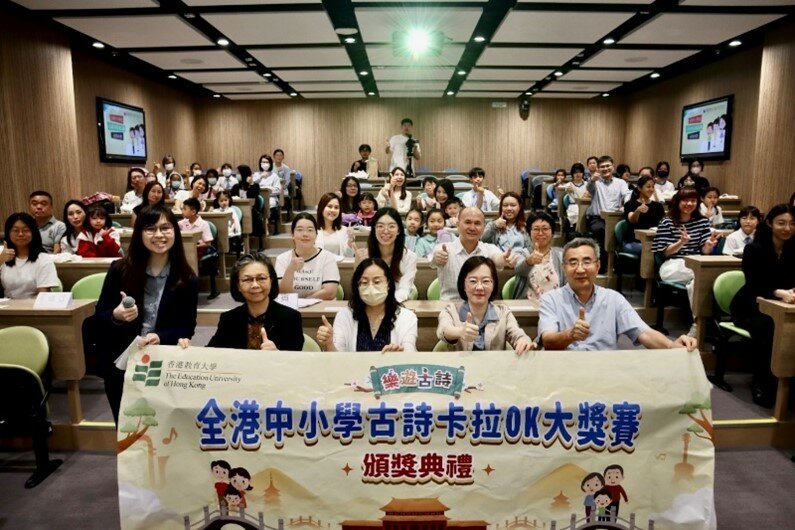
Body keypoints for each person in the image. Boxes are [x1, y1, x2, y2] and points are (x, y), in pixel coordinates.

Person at [85, 205, 198, 422]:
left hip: (163, 362)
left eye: (165, 228)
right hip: (122, 363)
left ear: (175, 231)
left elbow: (187, 326)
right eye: (150, 229)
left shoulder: (187, 278)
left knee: (161, 428)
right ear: (139, 234)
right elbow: (97, 320)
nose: (158, 235)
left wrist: (161, 336)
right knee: (127, 429)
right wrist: (116, 316)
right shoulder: (120, 270)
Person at [538, 238, 697, 351]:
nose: (580, 269)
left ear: (598, 265)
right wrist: (570, 335)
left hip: (604, 373)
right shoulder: (550, 299)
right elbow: (548, 341)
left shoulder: (613, 299)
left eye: (587, 262)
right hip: (565, 372)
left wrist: (671, 346)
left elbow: (643, 332)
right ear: (564, 268)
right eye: (573, 263)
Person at [729, 204, 795, 407]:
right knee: (769, 328)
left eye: (792, 224)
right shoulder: (754, 249)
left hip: (783, 305)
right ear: (769, 223)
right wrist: (777, 292)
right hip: (750, 305)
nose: (787, 228)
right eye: (781, 223)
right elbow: (754, 283)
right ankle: (763, 383)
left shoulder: (793, 249)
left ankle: (788, 384)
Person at [180, 253, 304, 351]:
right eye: (247, 279)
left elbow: (296, 364)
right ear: (238, 285)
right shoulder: (228, 319)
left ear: (271, 280)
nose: (255, 285)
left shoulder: (291, 318)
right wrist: (189, 349)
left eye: (261, 278)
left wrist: (277, 354)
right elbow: (212, 353)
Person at [652, 187, 721, 335]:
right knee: (703, 276)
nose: (689, 203)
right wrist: (681, 242)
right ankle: (703, 323)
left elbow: (704, 251)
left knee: (696, 281)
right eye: (685, 200)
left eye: (693, 200)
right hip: (672, 265)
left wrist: (709, 245)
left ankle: (698, 324)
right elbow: (663, 252)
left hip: (695, 263)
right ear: (677, 201)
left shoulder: (702, 221)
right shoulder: (667, 222)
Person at [437, 256, 535, 354]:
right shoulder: (450, 311)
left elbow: (516, 333)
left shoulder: (503, 312)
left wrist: (523, 340)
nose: (479, 287)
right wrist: (460, 332)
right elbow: (443, 330)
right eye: (473, 281)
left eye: (486, 281)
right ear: (463, 285)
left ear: (493, 284)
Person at [316, 258, 417, 352]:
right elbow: (337, 359)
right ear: (357, 286)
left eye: (377, 282)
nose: (370, 287)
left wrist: (400, 354)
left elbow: (410, 353)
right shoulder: (344, 315)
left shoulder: (407, 317)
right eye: (364, 282)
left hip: (391, 370)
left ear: (389, 284)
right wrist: (329, 343)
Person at [431, 207, 516, 301]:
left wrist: (504, 259)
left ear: (484, 227)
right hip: (450, 308)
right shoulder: (444, 248)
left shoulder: (489, 249)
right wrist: (437, 258)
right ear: (458, 225)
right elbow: (434, 259)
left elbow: (498, 258)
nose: (472, 228)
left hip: (481, 309)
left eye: (477, 223)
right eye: (467, 222)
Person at [353, 207, 417, 303]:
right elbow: (358, 288)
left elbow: (404, 289)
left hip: (397, 305)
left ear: (398, 230)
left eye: (391, 226)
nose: (385, 231)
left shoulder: (409, 257)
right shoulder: (364, 256)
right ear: (374, 229)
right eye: (380, 226)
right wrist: (358, 264)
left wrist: (384, 304)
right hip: (370, 305)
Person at [275, 213, 339, 300]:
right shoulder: (282, 259)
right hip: (290, 310)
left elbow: (330, 292)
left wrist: (306, 301)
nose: (305, 234)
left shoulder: (327, 257)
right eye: (300, 230)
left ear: (316, 235)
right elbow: (282, 293)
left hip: (318, 309)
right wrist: (291, 269)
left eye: (310, 230)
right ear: (292, 234)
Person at [586, 156, 630, 273]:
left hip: (615, 217)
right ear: (598, 169)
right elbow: (589, 188)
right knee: (601, 230)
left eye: (608, 166)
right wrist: (592, 180)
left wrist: (625, 205)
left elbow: (627, 195)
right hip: (597, 218)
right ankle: (604, 265)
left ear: (613, 166)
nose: (605, 168)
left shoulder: (621, 182)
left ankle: (620, 265)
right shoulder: (595, 182)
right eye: (602, 167)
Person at [0, 212, 59, 298]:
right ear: (8, 233)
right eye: (15, 230)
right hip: (7, 308)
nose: (20, 234)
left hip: (32, 308)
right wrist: (0, 261)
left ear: (33, 233)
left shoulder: (43, 259)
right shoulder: (3, 254)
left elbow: (43, 296)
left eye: (26, 230)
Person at [512, 212, 565, 301]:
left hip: (556, 307)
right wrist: (529, 261)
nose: (540, 233)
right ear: (529, 232)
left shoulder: (561, 254)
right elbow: (518, 270)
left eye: (545, 229)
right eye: (536, 229)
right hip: (528, 306)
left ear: (552, 232)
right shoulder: (521, 253)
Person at [179, 198, 220, 299]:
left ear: (193, 211)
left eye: (184, 209)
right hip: (186, 249)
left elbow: (208, 243)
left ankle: (191, 288)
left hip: (200, 249)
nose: (182, 211)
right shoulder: (182, 223)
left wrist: (195, 246)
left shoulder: (204, 224)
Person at [622, 175, 665, 255]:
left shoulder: (658, 206)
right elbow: (632, 220)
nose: (651, 189)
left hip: (653, 241)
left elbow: (662, 224)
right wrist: (638, 211)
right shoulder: (630, 204)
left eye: (653, 187)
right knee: (649, 251)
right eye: (648, 187)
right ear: (639, 188)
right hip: (633, 241)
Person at [481, 191, 532, 258]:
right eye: (505, 205)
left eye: (513, 205)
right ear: (501, 207)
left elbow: (530, 248)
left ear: (519, 207)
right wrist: (494, 226)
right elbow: (482, 242)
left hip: (521, 263)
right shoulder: (492, 224)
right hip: (499, 263)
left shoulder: (526, 226)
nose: (509, 208)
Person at [316, 192, 352, 258]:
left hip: (339, 267)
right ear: (322, 208)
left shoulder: (344, 230)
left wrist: (350, 243)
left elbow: (348, 256)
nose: (333, 210)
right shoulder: (313, 230)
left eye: (336, 207)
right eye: (329, 206)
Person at [212, 190, 243, 257]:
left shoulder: (232, 210)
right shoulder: (215, 211)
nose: (224, 202)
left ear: (229, 200)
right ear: (218, 202)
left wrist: (238, 232)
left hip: (230, 230)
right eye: (221, 201)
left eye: (225, 200)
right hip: (220, 231)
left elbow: (236, 222)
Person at [563, 162, 589, 230]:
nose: (578, 174)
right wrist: (566, 189)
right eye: (575, 172)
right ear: (572, 174)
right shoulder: (569, 185)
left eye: (580, 172)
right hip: (573, 206)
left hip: (586, 207)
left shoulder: (587, 185)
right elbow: (559, 188)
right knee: (574, 216)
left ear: (583, 173)